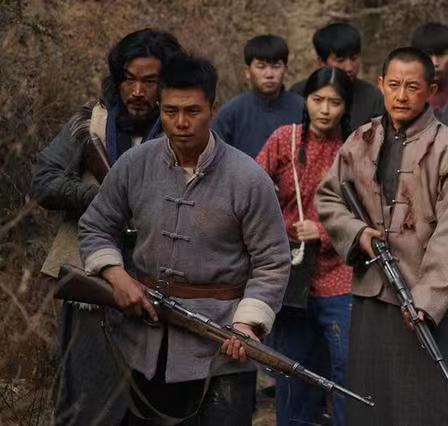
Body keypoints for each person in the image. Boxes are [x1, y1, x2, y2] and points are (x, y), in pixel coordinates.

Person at [78, 53, 290, 424]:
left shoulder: (248, 178)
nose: (180, 123)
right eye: (170, 111)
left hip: (221, 345)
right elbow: (96, 226)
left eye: (192, 111)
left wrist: (246, 324)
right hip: (140, 343)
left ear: (213, 109)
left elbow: (272, 261)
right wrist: (116, 275)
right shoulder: (135, 164)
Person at [30, 28, 184, 425]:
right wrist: (105, 199)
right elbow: (44, 181)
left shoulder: (183, 130)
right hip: (93, 285)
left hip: (159, 286)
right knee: (87, 402)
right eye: (129, 79)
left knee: (150, 405)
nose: (137, 91)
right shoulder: (90, 122)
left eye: (150, 82)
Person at [316, 46, 448, 425]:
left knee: (430, 406)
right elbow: (328, 196)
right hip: (374, 292)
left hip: (430, 302)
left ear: (431, 90)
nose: (401, 96)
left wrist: (428, 300)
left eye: (412, 87)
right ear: (381, 84)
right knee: (372, 402)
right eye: (394, 85)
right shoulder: (360, 140)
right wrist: (358, 234)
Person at [257, 66, 353, 426]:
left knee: (345, 367)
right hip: (292, 273)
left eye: (335, 102)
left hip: (340, 275)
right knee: (292, 369)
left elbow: (369, 212)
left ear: (346, 106)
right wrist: (283, 228)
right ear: (306, 100)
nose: (325, 110)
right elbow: (253, 191)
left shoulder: (354, 149)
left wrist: (324, 232)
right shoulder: (284, 139)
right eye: (317, 99)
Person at [212, 34, 304, 158]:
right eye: (261, 67)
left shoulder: (302, 108)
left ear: (285, 70)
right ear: (247, 71)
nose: (269, 74)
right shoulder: (231, 113)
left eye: (276, 66)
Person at [290, 22, 383, 130]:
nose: (349, 67)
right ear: (321, 62)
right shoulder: (299, 94)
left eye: (354, 59)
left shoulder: (373, 98)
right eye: (340, 60)